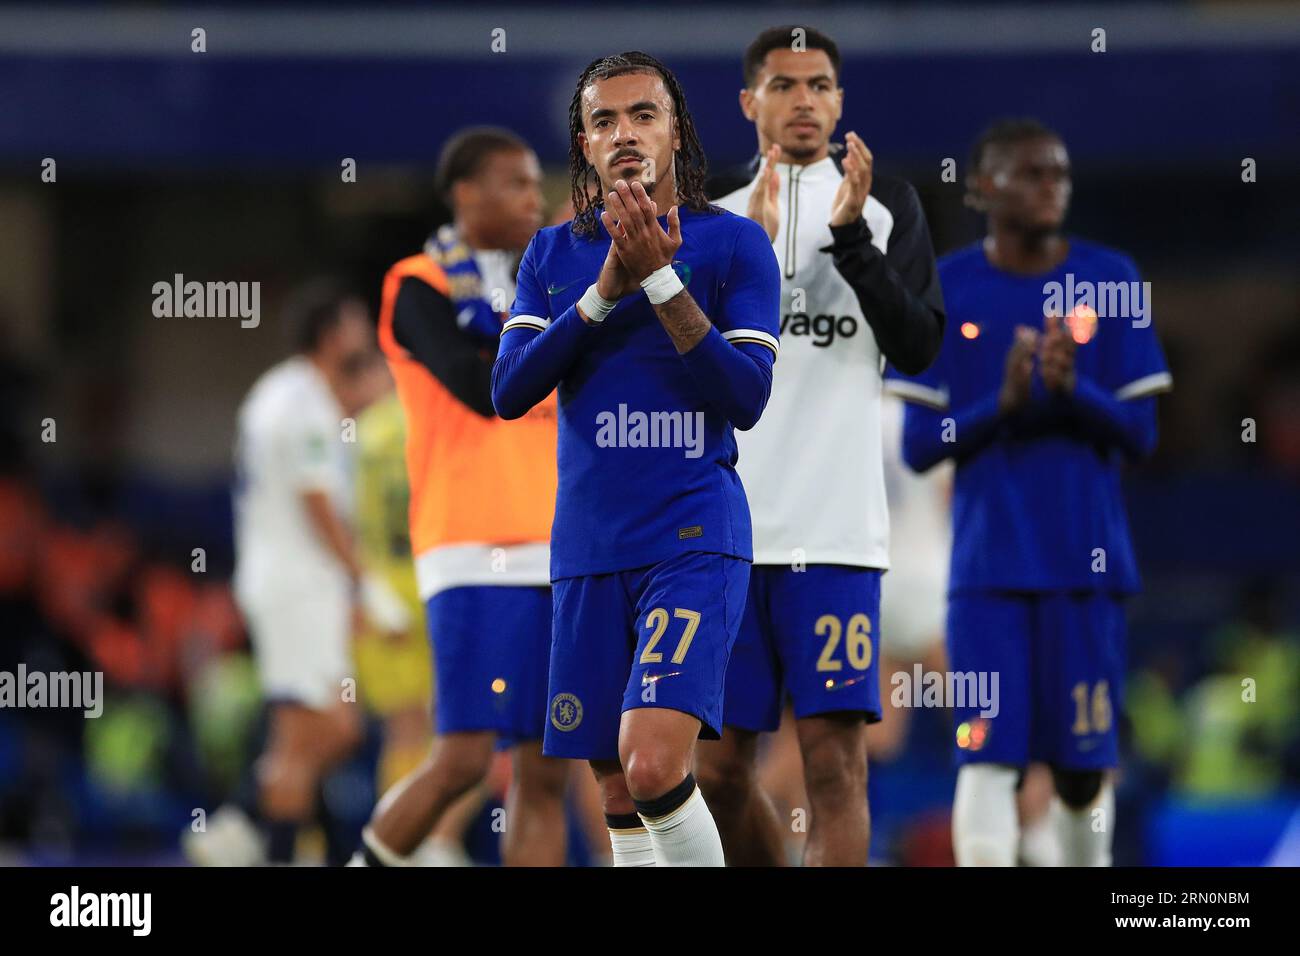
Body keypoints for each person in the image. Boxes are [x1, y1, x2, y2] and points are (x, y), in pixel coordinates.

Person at [492, 51, 781, 867]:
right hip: (587, 548)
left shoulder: (733, 246)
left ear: (676, 131)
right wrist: (603, 293)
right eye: (604, 121)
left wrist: (660, 282)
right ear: (584, 145)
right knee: (617, 790)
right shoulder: (551, 257)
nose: (625, 134)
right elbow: (510, 391)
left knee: (655, 763)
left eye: (643, 115)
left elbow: (748, 397)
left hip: (691, 535)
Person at [887, 118, 1172, 866]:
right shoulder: (947, 287)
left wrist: (1073, 392)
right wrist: (1001, 409)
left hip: (1088, 568)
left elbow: (1142, 435)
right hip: (986, 578)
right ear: (982, 189)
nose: (1052, 188)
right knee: (986, 757)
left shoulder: (1113, 279)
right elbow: (922, 446)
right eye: (1031, 174)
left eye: (1060, 175)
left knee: (1081, 772)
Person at [703, 25, 944, 865]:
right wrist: (757, 253)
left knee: (835, 767)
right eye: (783, 84)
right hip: (725, 537)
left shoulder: (888, 208)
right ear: (749, 102)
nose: (803, 100)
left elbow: (918, 345)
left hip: (837, 536)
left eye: (819, 85)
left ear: (840, 102)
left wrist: (852, 243)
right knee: (719, 774)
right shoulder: (705, 213)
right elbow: (686, 360)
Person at [351, 127, 570, 867]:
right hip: (472, 547)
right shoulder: (418, 283)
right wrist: (580, 320)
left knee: (547, 766)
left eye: (536, 183)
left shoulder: (547, 283)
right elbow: (483, 391)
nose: (534, 198)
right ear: (467, 195)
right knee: (464, 758)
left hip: (558, 544)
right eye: (515, 184)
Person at [229, 280, 396, 864]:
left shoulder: (284, 392)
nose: (364, 332)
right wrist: (367, 584)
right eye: (356, 321)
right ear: (331, 335)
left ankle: (247, 825)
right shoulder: (302, 400)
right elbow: (316, 501)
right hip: (295, 585)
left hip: (293, 582)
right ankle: (249, 829)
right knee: (320, 734)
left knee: (312, 735)